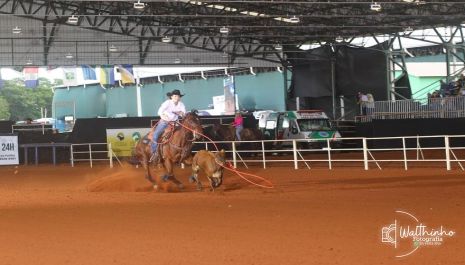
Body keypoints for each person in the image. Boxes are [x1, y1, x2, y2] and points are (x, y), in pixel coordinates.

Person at [151, 89, 186, 153]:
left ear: (179, 98)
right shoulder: (167, 103)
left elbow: (183, 114)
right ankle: (154, 152)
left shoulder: (181, 104)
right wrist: (163, 116)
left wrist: (181, 113)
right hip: (165, 122)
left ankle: (182, 150)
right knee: (155, 135)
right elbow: (159, 111)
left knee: (183, 134)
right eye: (175, 96)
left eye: (178, 96)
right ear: (171, 97)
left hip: (175, 122)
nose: (177, 97)